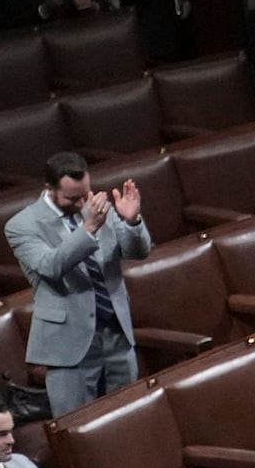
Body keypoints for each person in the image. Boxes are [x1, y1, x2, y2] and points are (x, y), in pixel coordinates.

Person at [8, 153, 150, 413]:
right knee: (76, 423)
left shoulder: (95, 205)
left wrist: (132, 221)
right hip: (70, 343)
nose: (83, 202)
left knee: (128, 415)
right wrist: (89, 229)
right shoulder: (22, 225)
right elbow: (51, 266)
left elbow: (137, 252)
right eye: (73, 198)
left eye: (85, 194)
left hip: (116, 332)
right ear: (49, 188)